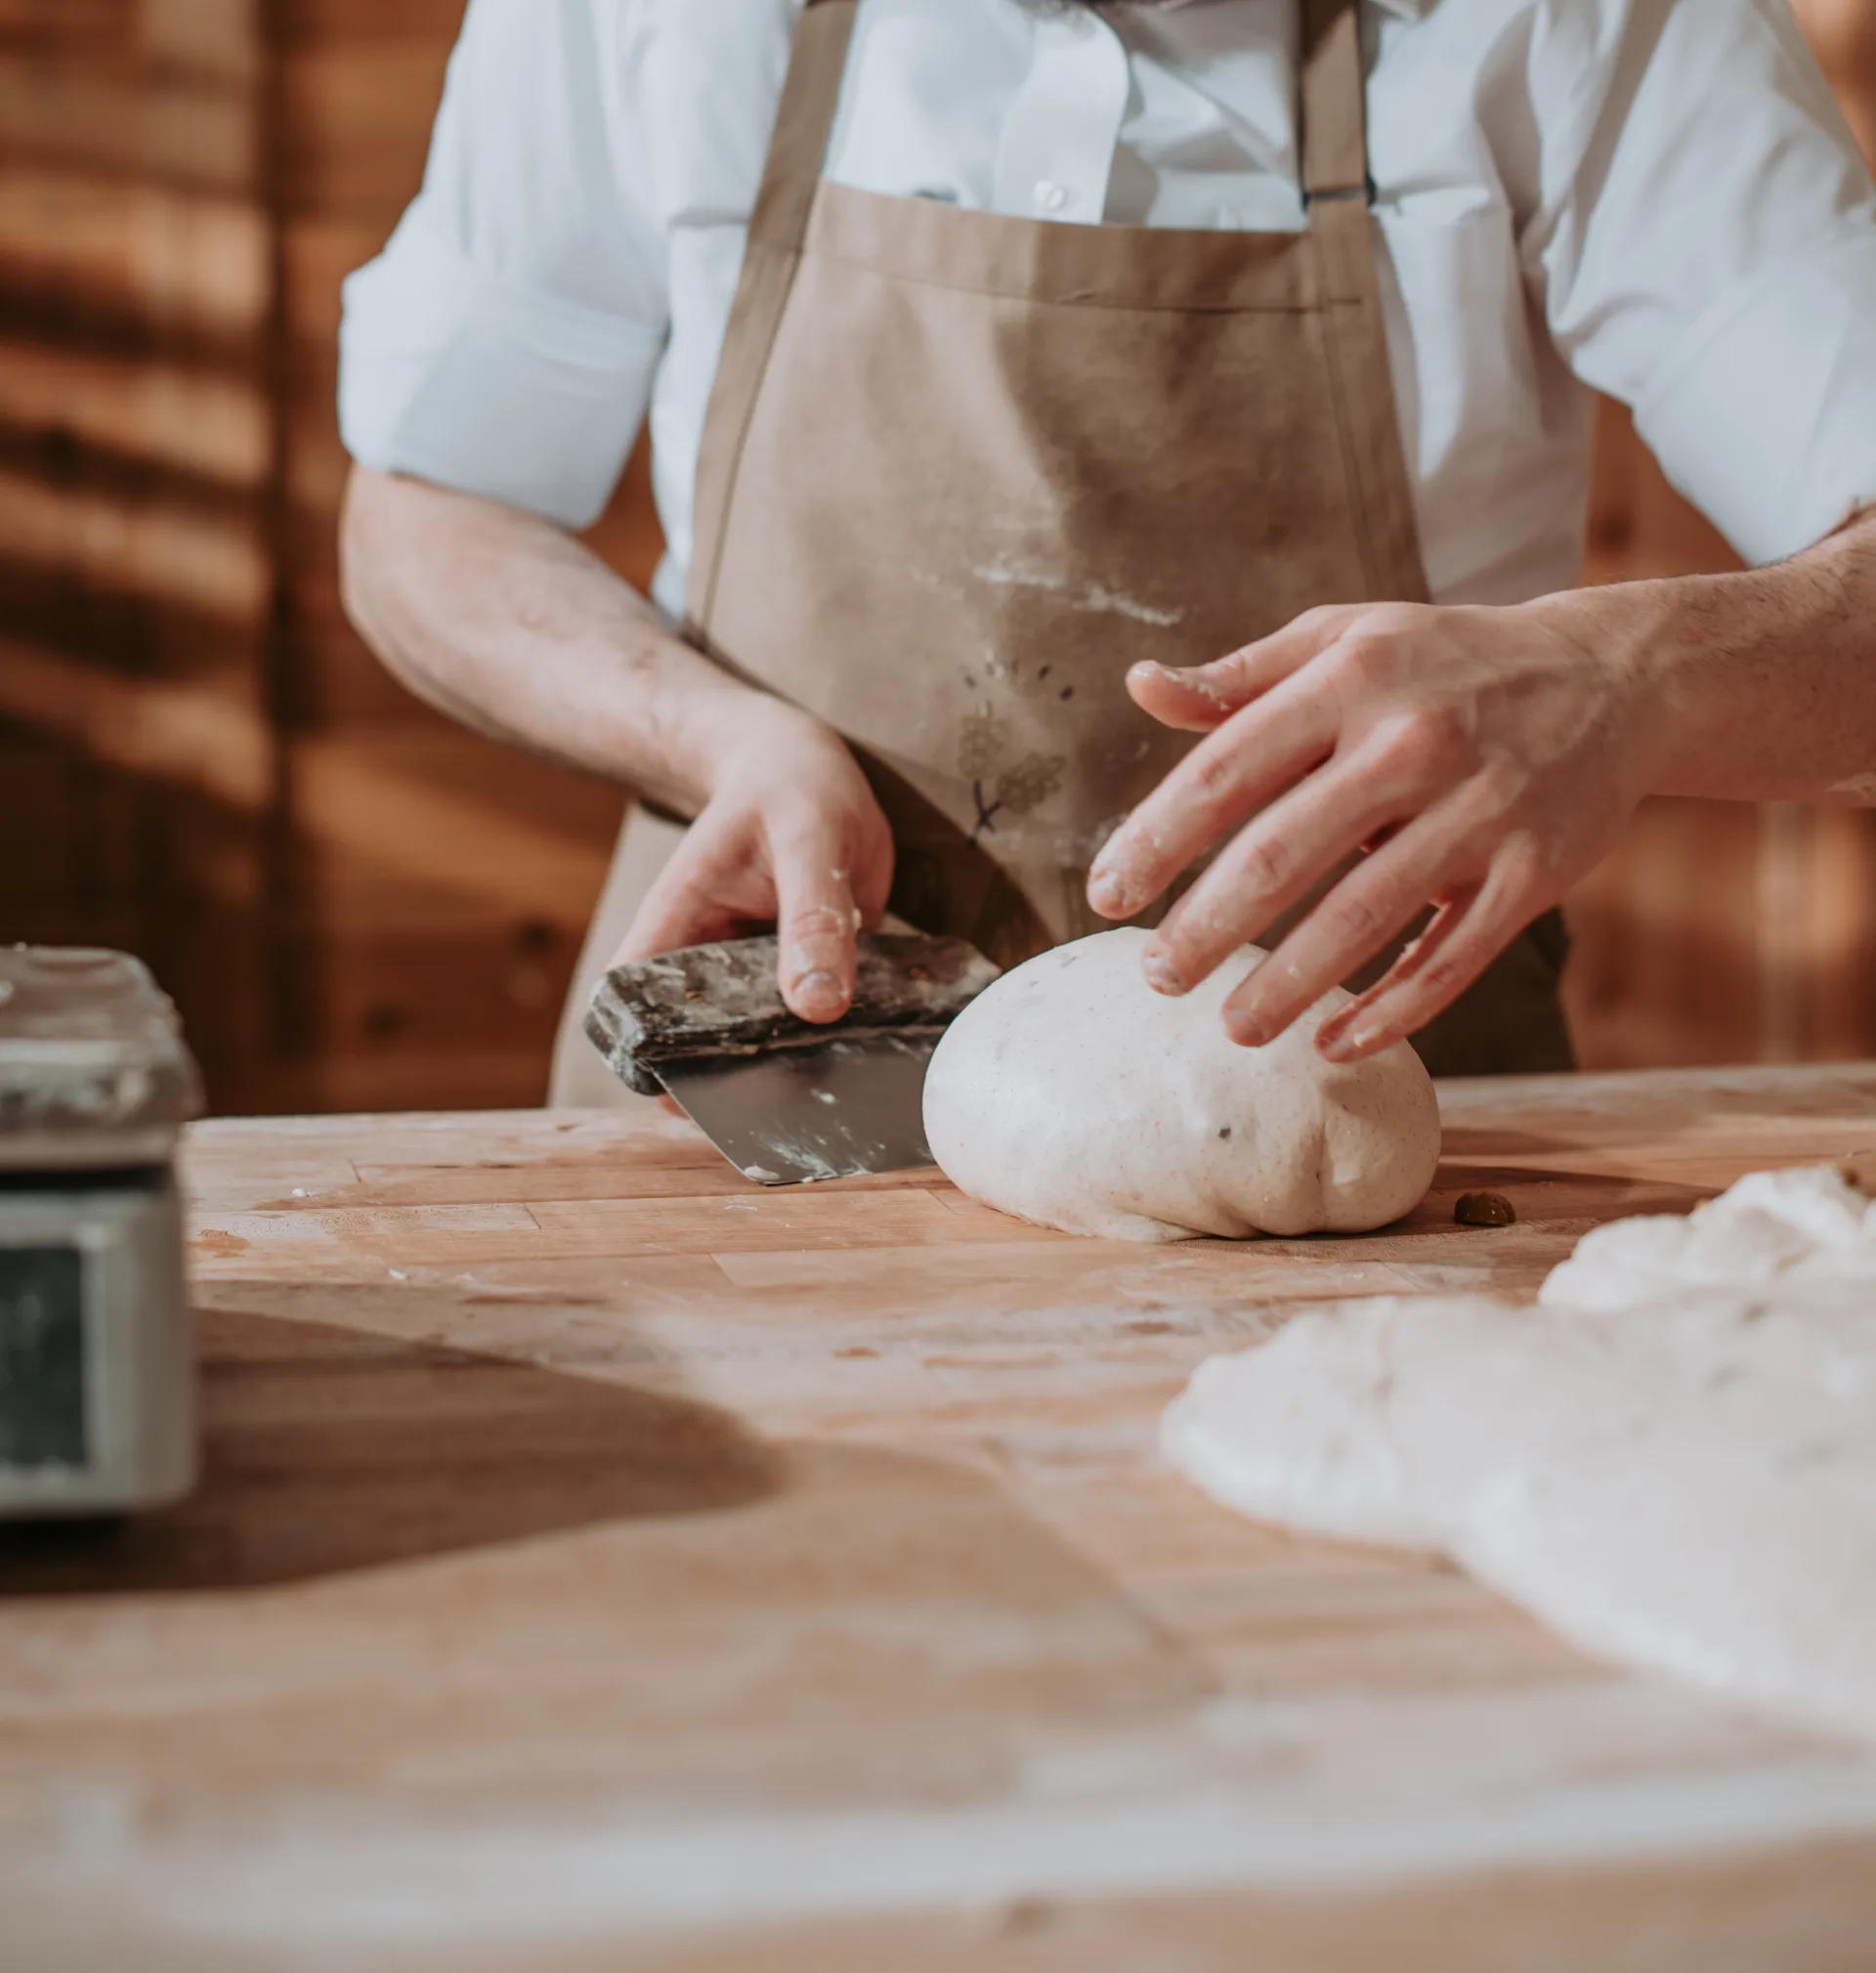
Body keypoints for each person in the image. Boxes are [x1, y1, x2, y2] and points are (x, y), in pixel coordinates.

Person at [338, 0, 1876, 1104]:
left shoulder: (1589, 25)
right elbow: (428, 512)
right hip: (742, 1110)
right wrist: (709, 737)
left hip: (1372, 1141)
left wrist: (1626, 679)